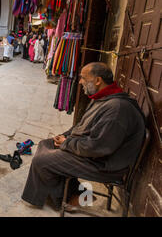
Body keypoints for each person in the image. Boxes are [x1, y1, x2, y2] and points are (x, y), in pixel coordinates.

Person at [21, 62, 145, 210]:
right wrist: (64, 136)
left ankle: (68, 199)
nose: (79, 82)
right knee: (45, 144)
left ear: (98, 80)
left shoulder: (117, 109)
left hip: (105, 165)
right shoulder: (102, 98)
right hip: (92, 153)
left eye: (83, 78)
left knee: (42, 160)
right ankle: (79, 194)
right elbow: (81, 125)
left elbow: (98, 147)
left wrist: (67, 143)